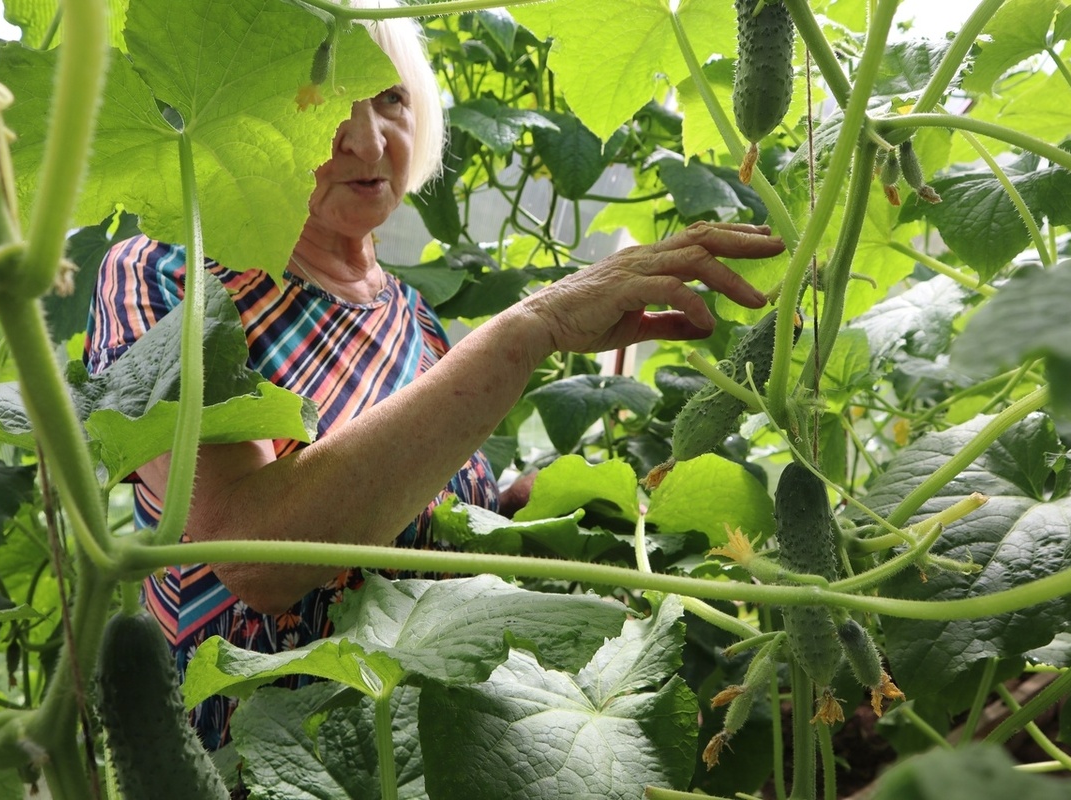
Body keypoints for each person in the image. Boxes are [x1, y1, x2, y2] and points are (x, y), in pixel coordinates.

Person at [84, 1, 784, 750]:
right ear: (248, 121)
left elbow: (427, 534)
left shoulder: (413, 320)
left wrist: (558, 501)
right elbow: (254, 554)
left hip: (434, 752)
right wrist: (529, 331)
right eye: (316, 99)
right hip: (262, 758)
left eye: (389, 96)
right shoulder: (167, 273)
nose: (366, 137)